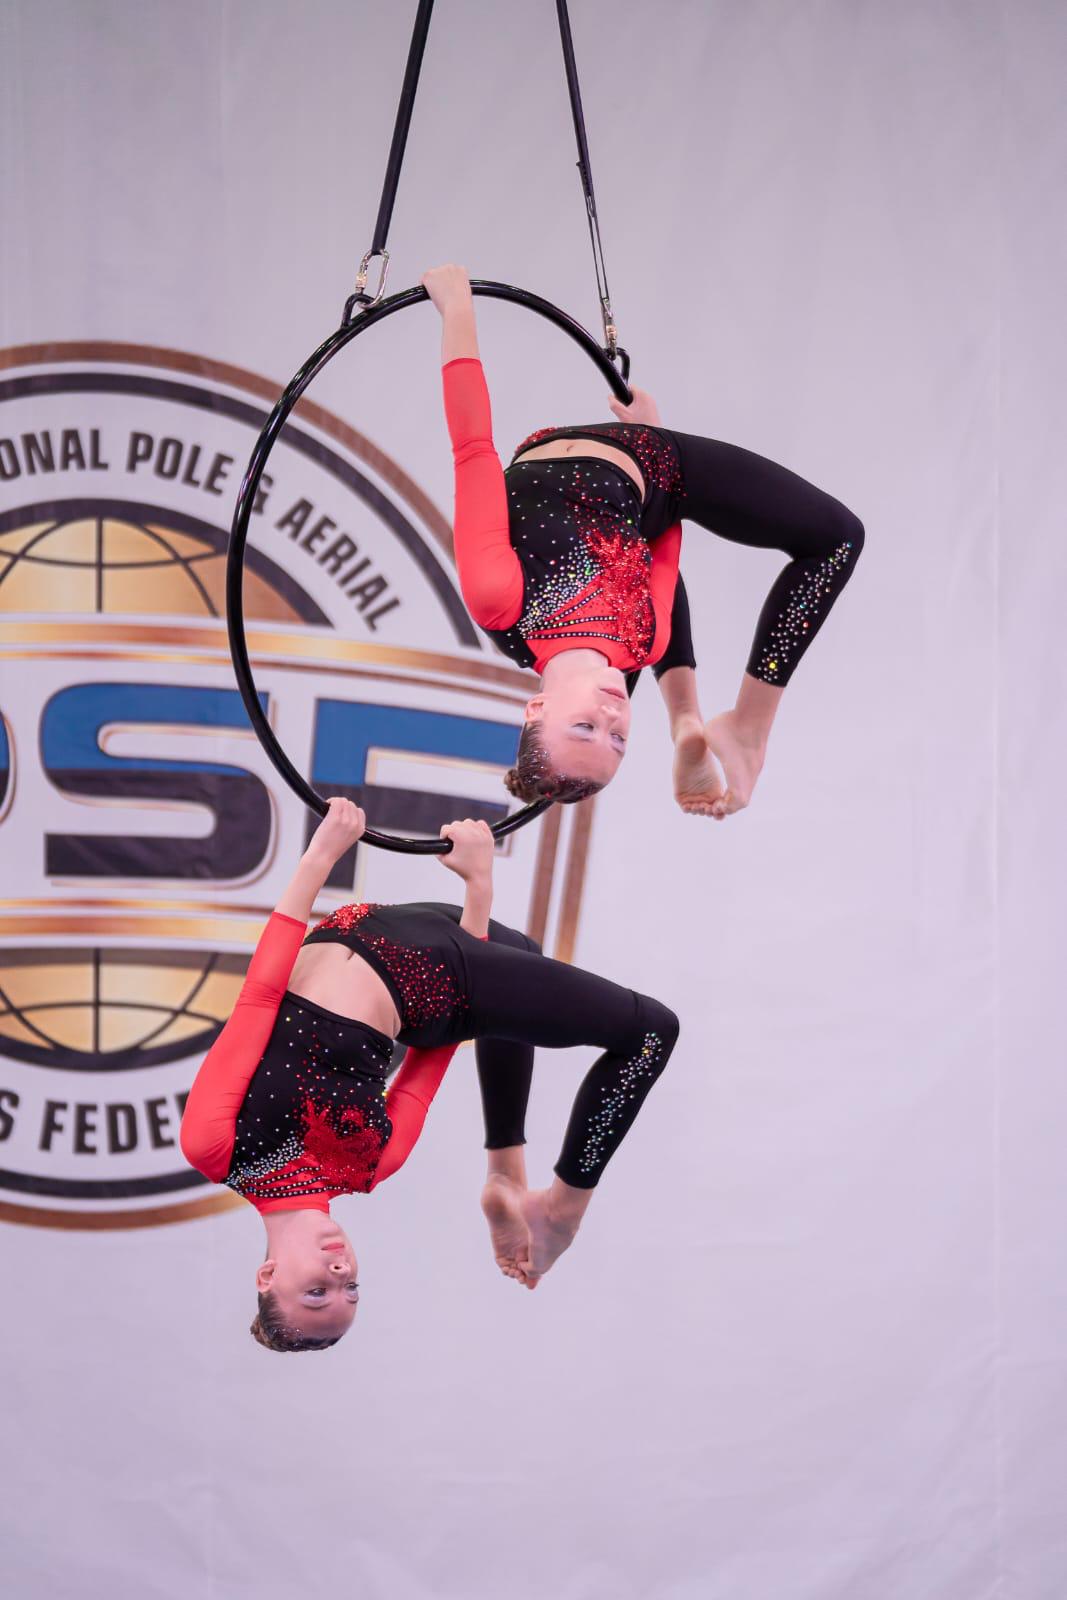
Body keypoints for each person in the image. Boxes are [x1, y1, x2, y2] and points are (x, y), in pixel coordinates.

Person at [180, 799, 679, 1352]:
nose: (341, 1271)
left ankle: (506, 1174)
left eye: (317, 1291)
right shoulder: (372, 1166)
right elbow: (444, 1041)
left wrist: (320, 857)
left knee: (522, 955)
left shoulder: (216, 1148)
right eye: (352, 1289)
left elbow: (259, 995)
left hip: (363, 927)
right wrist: (479, 888)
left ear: (268, 1275)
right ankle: (561, 1209)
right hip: (435, 970)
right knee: (650, 1030)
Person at [422, 263, 865, 818]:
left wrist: (457, 310)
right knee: (834, 543)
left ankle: (733, 727)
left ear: (537, 709)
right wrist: (651, 435)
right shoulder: (644, 643)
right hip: (651, 472)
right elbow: (660, 539)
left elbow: (473, 448)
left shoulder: (500, 602)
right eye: (618, 740)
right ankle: (695, 722)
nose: (611, 719)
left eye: (584, 727)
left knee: (834, 538)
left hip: (568, 457)